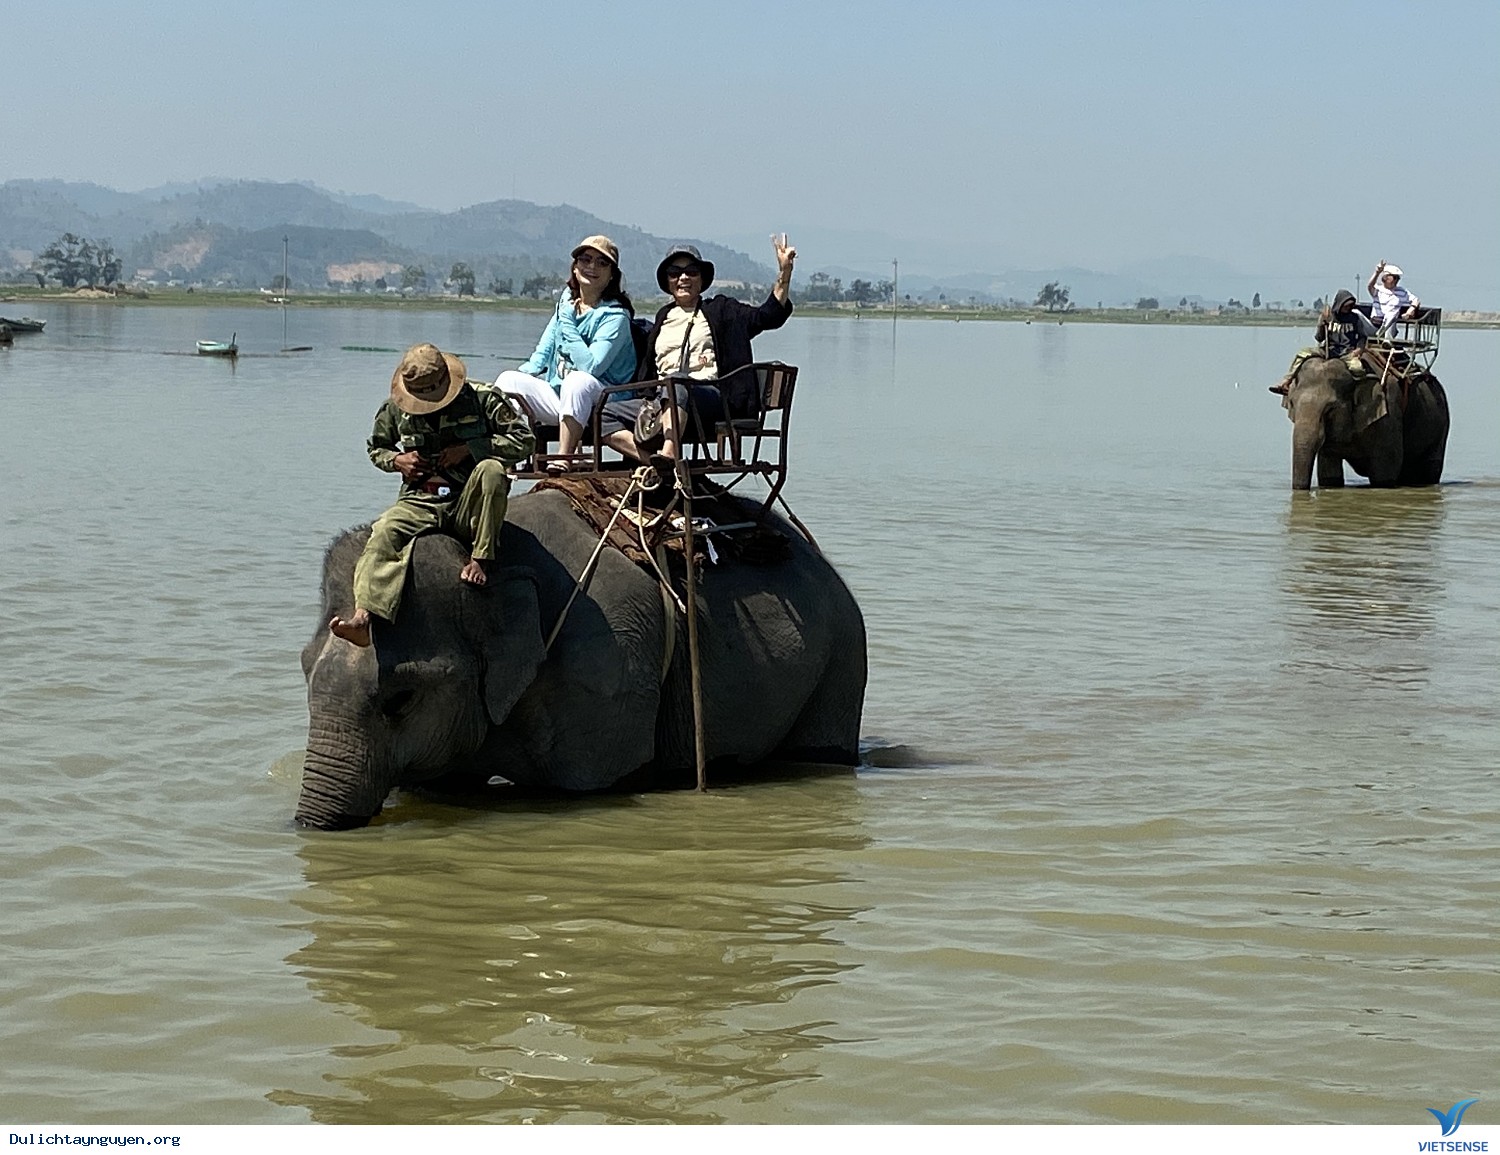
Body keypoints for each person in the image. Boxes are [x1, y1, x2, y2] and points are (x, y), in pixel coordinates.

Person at [329, 343, 535, 648]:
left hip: (469, 499)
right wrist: (397, 461)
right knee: (383, 534)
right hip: (420, 499)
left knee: (492, 470)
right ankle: (363, 617)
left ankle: (481, 558)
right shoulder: (394, 408)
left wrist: (470, 449)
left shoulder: (483, 398)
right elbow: (377, 447)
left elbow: (524, 440)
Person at [601, 234, 796, 472]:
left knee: (678, 383)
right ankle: (653, 461)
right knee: (602, 413)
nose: (683, 278)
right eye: (674, 272)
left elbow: (768, 316)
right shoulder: (663, 317)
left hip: (710, 400)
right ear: (667, 280)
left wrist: (784, 274)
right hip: (661, 402)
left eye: (691, 271)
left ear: (701, 278)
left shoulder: (722, 310)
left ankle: (670, 451)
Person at [495, 235, 637, 472]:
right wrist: (523, 376)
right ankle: (505, 452)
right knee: (508, 381)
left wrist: (569, 323)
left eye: (602, 263)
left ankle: (564, 457)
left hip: (603, 403)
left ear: (612, 274)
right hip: (562, 398)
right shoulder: (566, 304)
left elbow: (591, 367)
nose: (592, 267)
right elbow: (541, 355)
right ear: (575, 266)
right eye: (585, 259)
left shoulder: (615, 316)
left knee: (577, 380)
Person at [1269, 289, 1376, 394]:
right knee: (1302, 354)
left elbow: (1362, 337)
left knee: (1358, 369)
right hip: (1328, 349)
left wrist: (1358, 350)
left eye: (1350, 305)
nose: (1348, 308)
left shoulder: (1355, 318)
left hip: (1347, 352)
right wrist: (1322, 324)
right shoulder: (1329, 317)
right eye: (1346, 305)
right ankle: (1286, 381)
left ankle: (1359, 394)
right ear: (1339, 304)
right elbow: (1319, 338)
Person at [1366, 260, 1421, 335]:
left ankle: (1386, 338)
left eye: (1397, 278)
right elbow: (1370, 286)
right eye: (1394, 277)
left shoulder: (1401, 292)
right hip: (1374, 325)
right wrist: (1377, 273)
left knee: (1392, 313)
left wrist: (1411, 310)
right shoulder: (1378, 290)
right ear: (1385, 278)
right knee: (1356, 312)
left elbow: (1415, 300)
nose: (1396, 280)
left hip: (1390, 326)